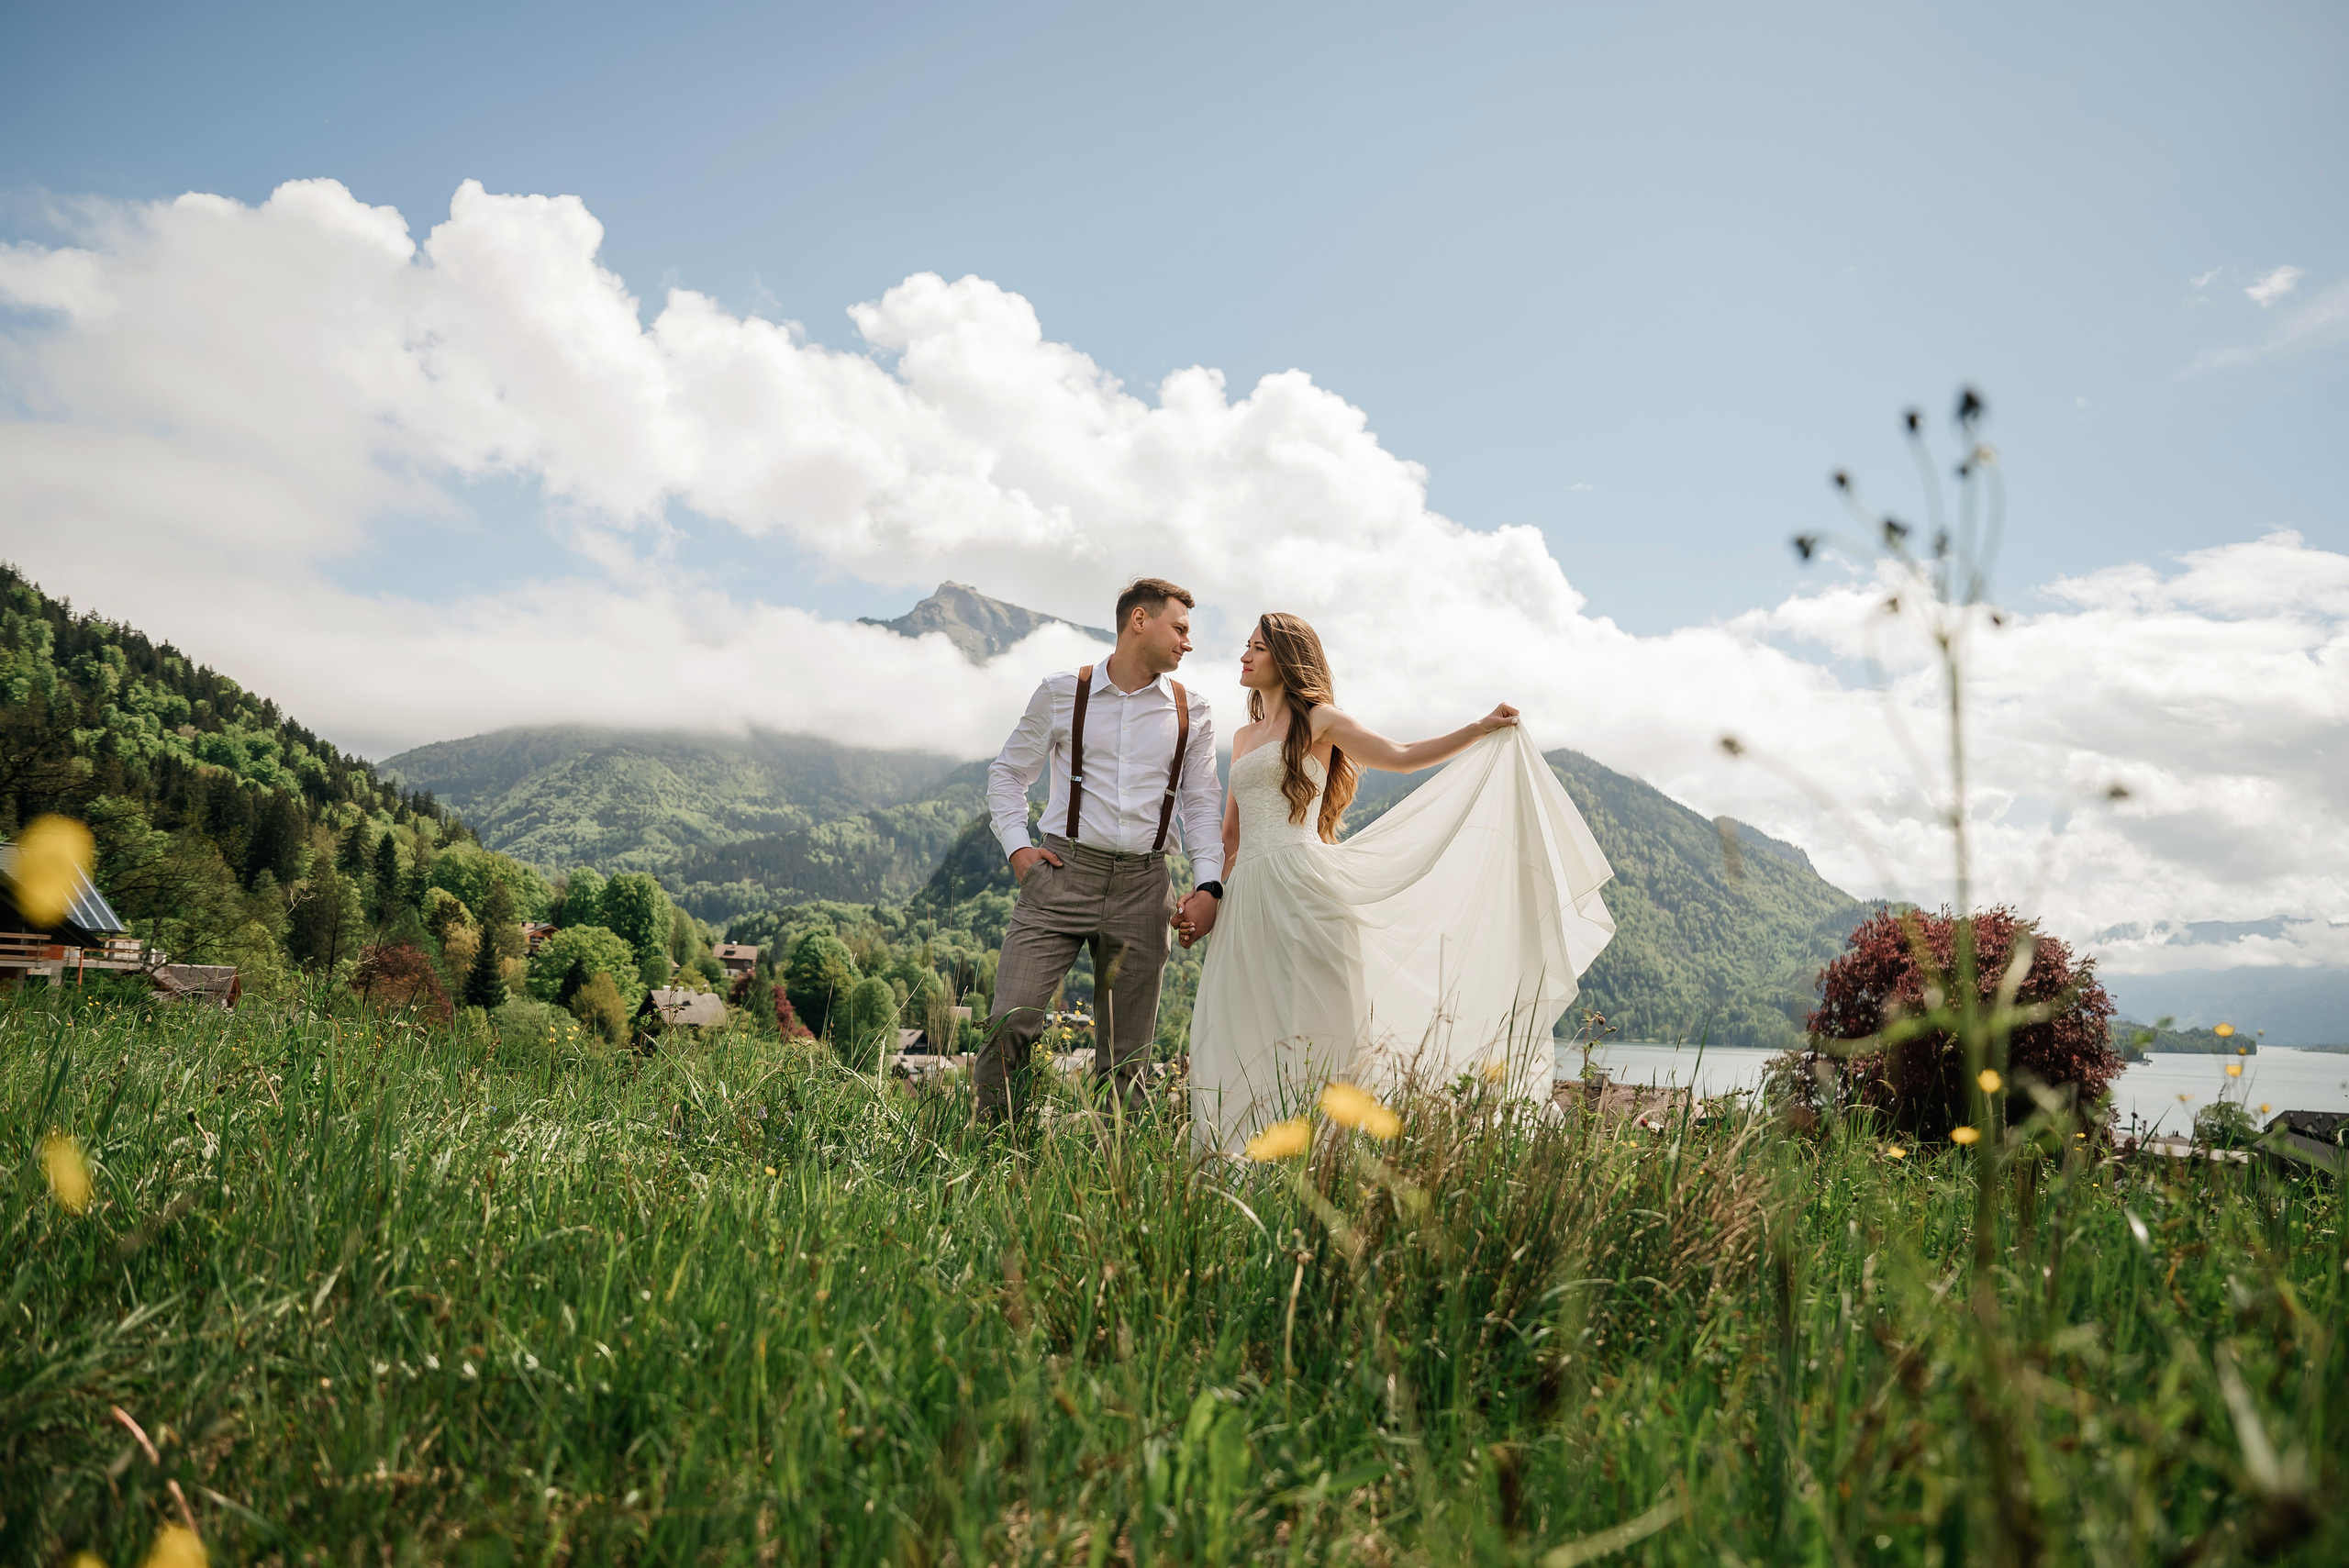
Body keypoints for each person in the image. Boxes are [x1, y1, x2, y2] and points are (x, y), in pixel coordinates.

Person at [1186, 612, 1617, 1152]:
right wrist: (1208, 895)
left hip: (1303, 891)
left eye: (1257, 647)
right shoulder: (1243, 736)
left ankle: (1323, 1153)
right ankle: (1240, 1155)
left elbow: (1402, 758)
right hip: (1248, 898)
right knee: (1240, 1024)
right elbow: (1230, 836)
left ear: (1288, 657)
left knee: (1315, 1025)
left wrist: (1477, 728)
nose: (1244, 656)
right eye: (1246, 646)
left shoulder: (1319, 720)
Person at [980, 577, 1225, 1122]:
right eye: (1179, 629)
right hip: (1061, 875)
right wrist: (1018, 849)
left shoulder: (1194, 710)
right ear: (1140, 620)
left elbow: (1202, 804)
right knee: (1009, 1023)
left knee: (1127, 1059)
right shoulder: (1062, 691)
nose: (1188, 642)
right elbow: (1008, 773)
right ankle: (993, 1150)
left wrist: (1209, 885)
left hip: (1145, 886)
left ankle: (1115, 1167)